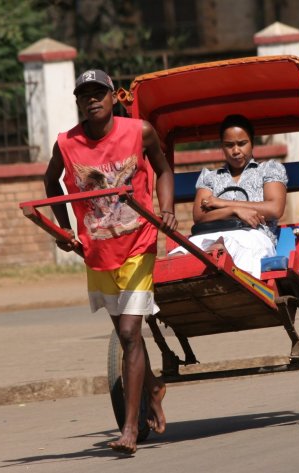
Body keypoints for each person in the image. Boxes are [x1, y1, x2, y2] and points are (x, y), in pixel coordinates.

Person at [43, 69, 178, 454]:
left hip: (139, 242)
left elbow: (164, 170)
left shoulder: (139, 132)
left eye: (98, 92)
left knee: (131, 333)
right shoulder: (66, 144)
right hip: (98, 250)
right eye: (84, 94)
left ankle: (130, 429)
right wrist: (64, 230)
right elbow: (51, 183)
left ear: (112, 97)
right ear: (78, 103)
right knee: (125, 333)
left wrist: (167, 208)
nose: (92, 99)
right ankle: (152, 387)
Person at [169, 114, 287, 278]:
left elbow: (274, 208)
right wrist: (234, 210)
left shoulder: (269, 170)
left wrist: (219, 202)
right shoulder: (209, 177)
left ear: (252, 142)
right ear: (222, 147)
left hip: (253, 235)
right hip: (207, 235)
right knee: (178, 256)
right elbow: (200, 216)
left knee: (223, 249)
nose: (236, 151)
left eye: (242, 144)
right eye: (229, 145)